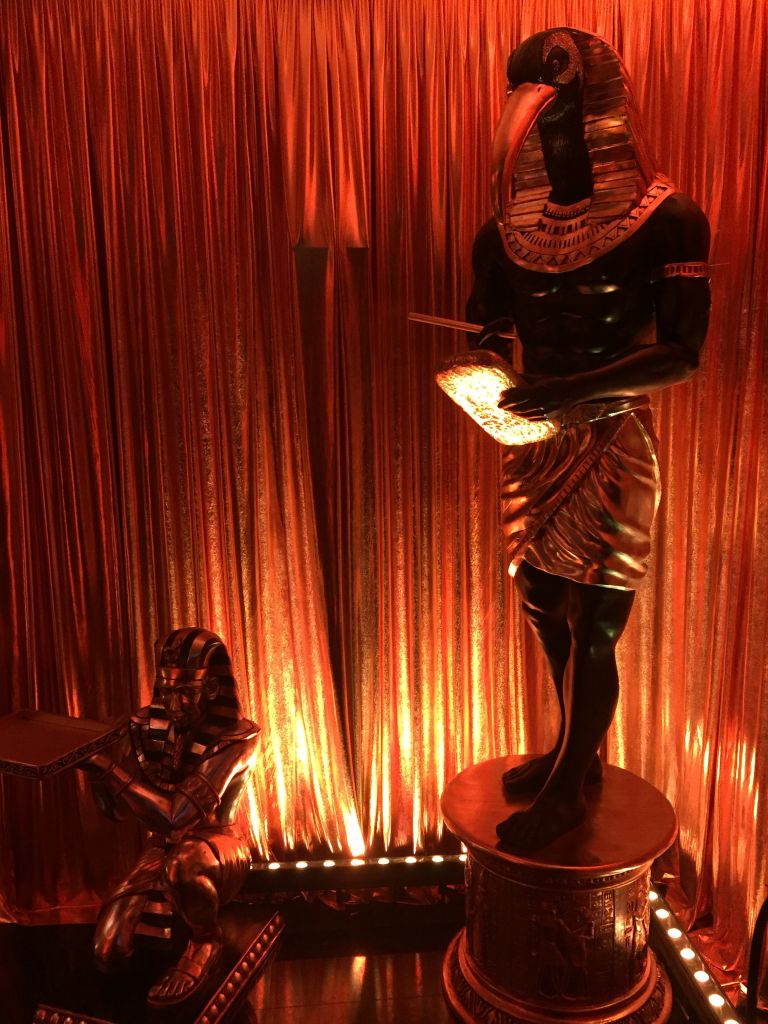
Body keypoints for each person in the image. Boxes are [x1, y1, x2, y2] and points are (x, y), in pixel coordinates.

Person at [465, 28, 710, 850]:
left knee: (597, 619)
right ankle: (576, 752)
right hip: (535, 442)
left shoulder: (669, 220)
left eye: (554, 95)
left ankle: (570, 787)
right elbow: (488, 324)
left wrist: (567, 390)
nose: (544, 118)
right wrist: (486, 364)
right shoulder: (502, 233)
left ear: (595, 99)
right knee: (543, 602)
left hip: (611, 438)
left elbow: (681, 355)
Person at [79, 627, 259, 1004]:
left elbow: (179, 817)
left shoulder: (238, 738)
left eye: (186, 693)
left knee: (183, 864)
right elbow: (115, 813)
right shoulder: (145, 726)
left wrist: (111, 769)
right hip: (162, 846)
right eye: (166, 691)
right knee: (108, 952)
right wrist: (97, 774)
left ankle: (205, 941)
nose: (173, 705)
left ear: (212, 688)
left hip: (217, 846)